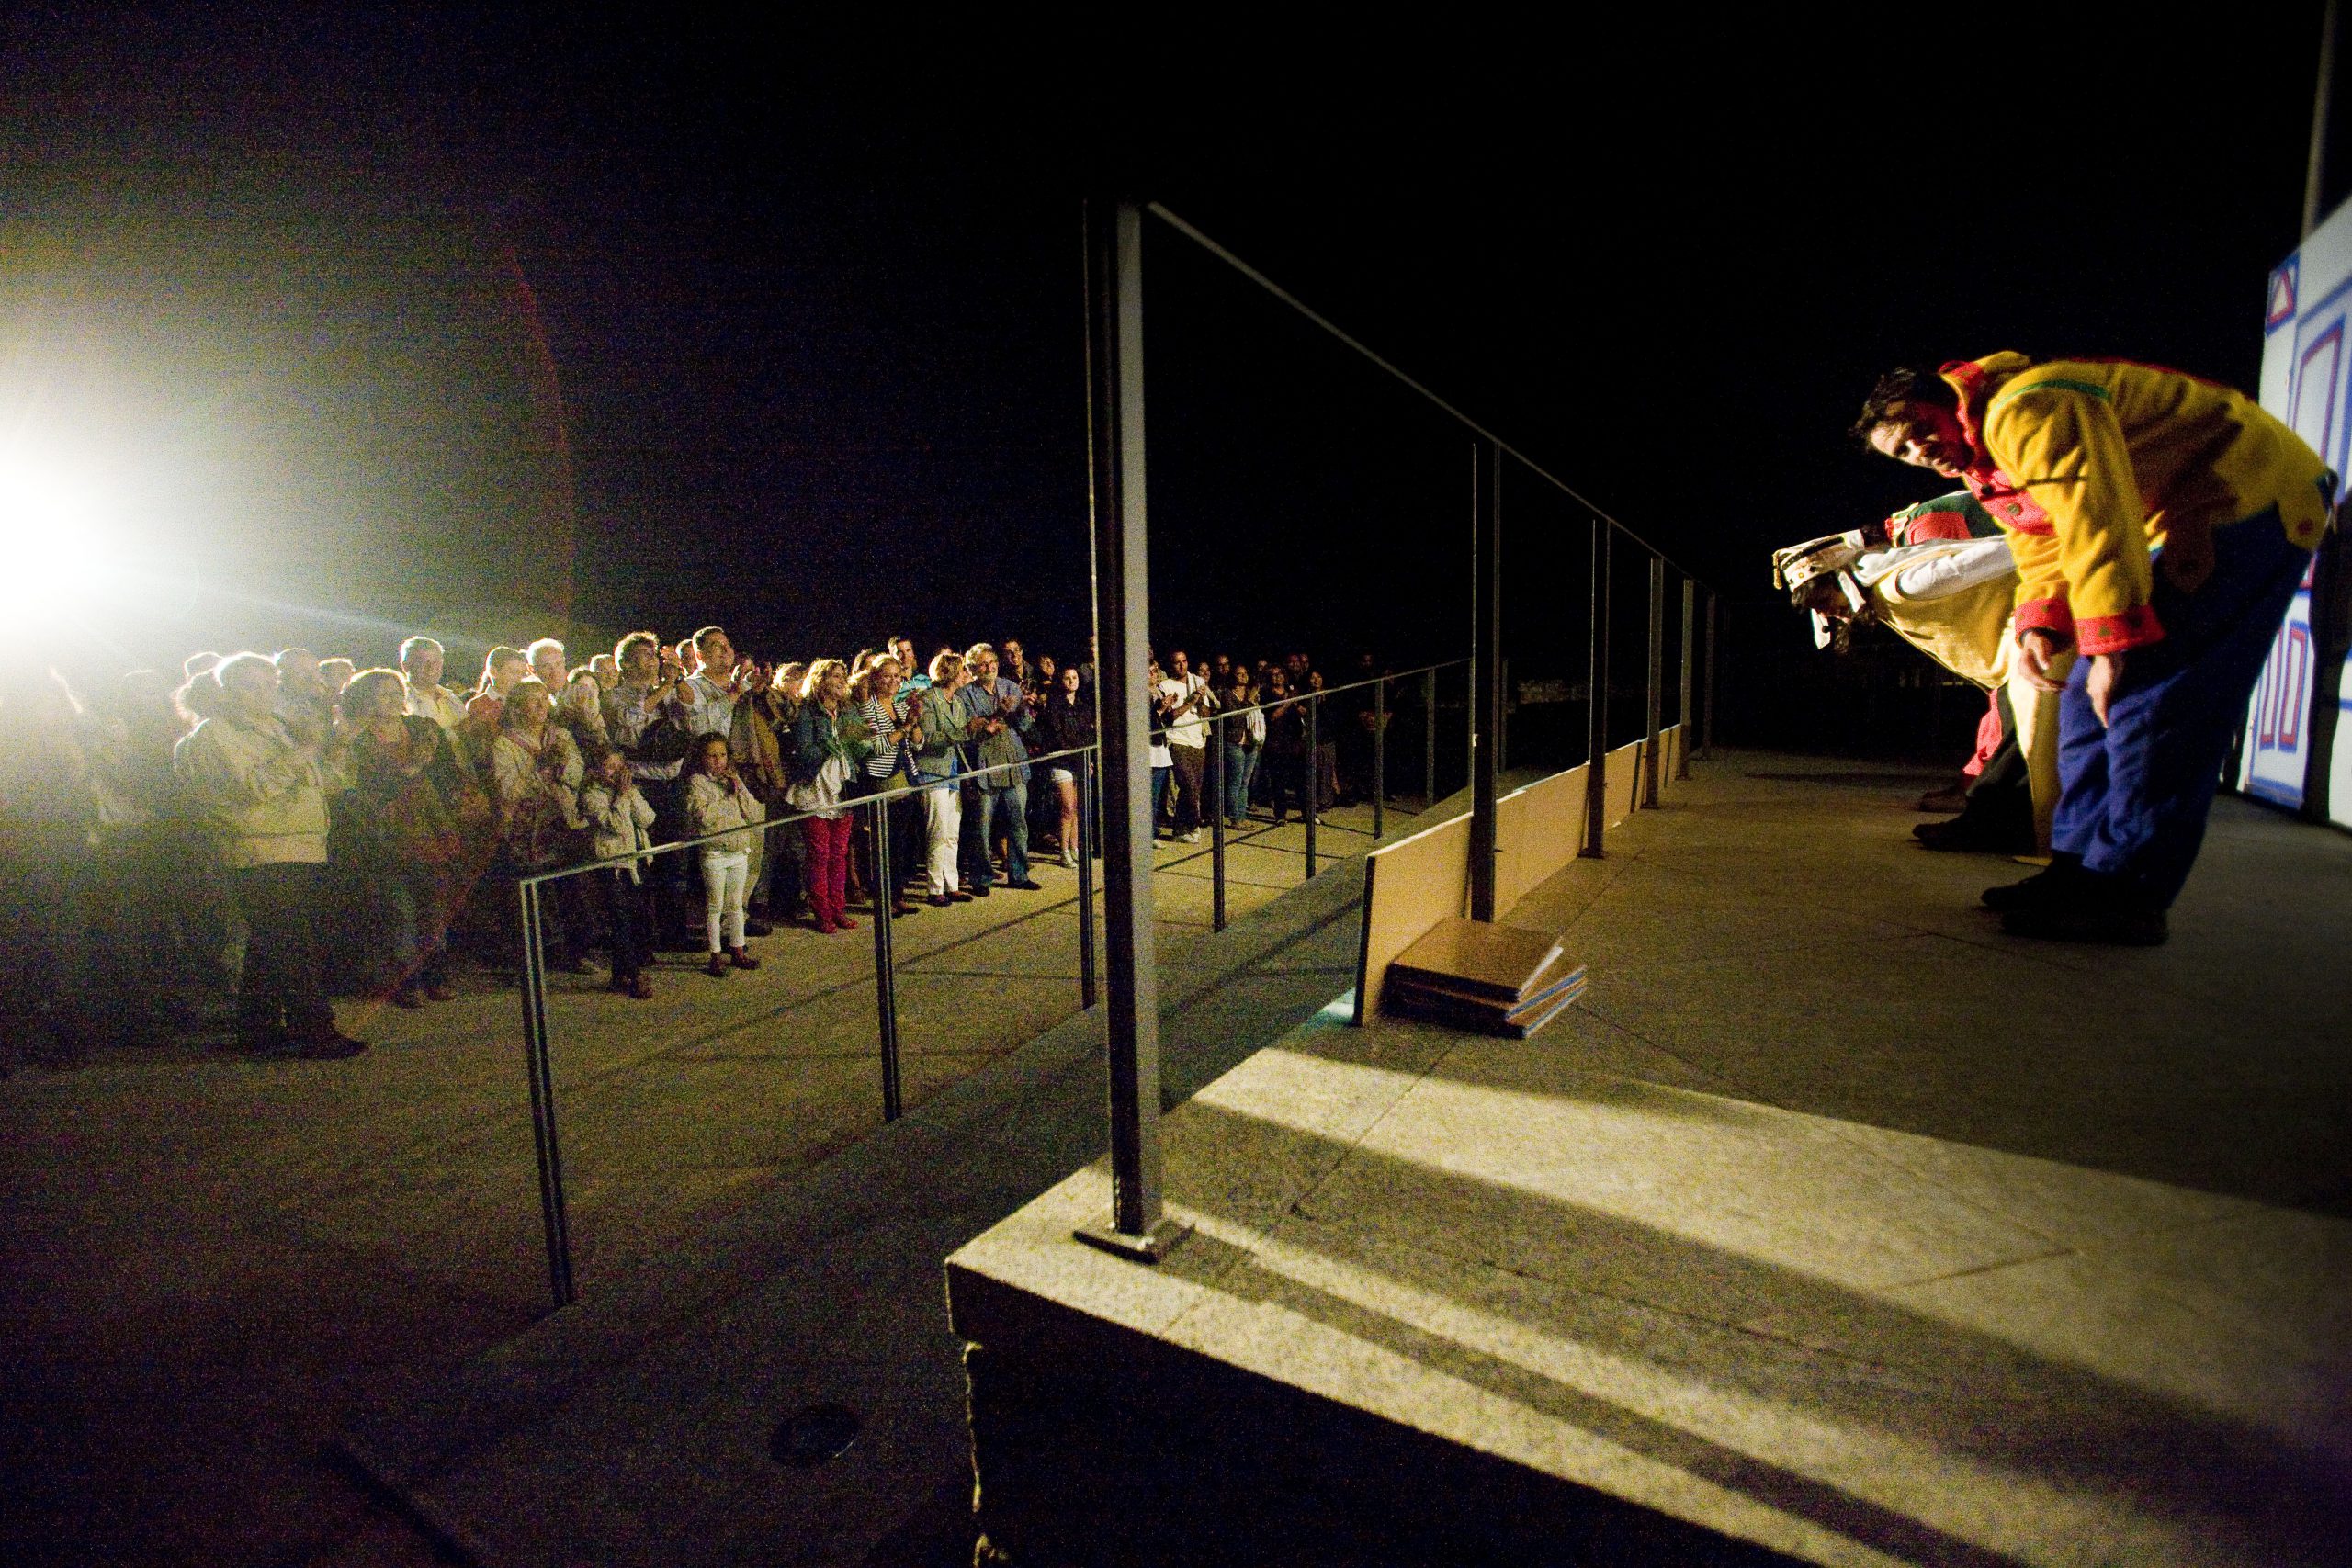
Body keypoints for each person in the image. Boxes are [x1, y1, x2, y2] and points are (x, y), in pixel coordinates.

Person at [1856, 352, 2332, 942]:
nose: (1921, 451)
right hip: (2173, 516)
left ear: (1948, 399)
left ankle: (2129, 892)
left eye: (1921, 429)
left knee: (2152, 697)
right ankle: (2078, 870)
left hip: (2251, 494)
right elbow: (2042, 544)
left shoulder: (2025, 408)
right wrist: (2039, 627)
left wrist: (2112, 645)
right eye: (1904, 452)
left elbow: (2095, 515)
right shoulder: (1989, 463)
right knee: (2080, 698)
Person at [174, 653, 366, 1059]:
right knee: (292, 944)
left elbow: (327, 784)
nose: (263, 694)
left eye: (269, 685)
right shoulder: (214, 735)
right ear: (226, 692)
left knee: (271, 943)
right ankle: (314, 1029)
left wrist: (339, 748)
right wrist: (304, 750)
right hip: (257, 850)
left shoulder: (278, 728)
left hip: (301, 845)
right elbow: (254, 788)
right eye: (250, 685)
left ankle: (255, 1028)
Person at [341, 668, 475, 1006]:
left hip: (429, 828)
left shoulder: (421, 729)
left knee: (434, 905)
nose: (391, 699)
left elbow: (448, 774)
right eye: (381, 693)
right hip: (383, 834)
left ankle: (436, 975)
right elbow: (358, 792)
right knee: (398, 911)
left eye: (394, 692)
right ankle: (405, 982)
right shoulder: (356, 740)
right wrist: (408, 773)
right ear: (364, 699)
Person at [488, 676, 590, 972]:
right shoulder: (505, 744)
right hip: (530, 830)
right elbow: (508, 788)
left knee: (572, 889)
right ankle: (538, 956)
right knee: (537, 895)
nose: (541, 706)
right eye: (533, 701)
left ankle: (577, 951)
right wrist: (542, 773)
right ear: (518, 709)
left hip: (565, 821)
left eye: (544, 699)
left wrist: (563, 769)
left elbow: (577, 771)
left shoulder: (561, 736)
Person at [788, 659, 864, 933]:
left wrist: (861, 741)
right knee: (819, 854)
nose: (842, 680)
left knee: (840, 853)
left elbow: (859, 750)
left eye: (844, 675)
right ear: (820, 680)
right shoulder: (807, 713)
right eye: (835, 675)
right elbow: (804, 752)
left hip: (843, 787)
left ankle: (838, 908)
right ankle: (822, 912)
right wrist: (831, 743)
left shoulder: (848, 710)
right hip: (816, 787)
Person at [681, 731, 765, 974]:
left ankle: (738, 948)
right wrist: (726, 798)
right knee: (715, 905)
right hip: (715, 853)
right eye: (712, 756)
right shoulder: (697, 782)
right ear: (702, 758)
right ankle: (715, 954)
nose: (718, 761)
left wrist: (738, 788)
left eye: (722, 755)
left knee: (736, 904)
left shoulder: (734, 780)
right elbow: (703, 817)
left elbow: (752, 813)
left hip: (739, 849)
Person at [578, 746, 658, 998]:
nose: (615, 773)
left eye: (618, 767)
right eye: (610, 767)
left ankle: (619, 973)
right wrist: (622, 797)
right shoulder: (593, 795)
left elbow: (647, 818)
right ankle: (632, 975)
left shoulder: (626, 791)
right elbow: (617, 825)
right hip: (613, 865)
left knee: (636, 917)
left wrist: (629, 794)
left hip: (636, 862)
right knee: (620, 921)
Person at [906, 651, 974, 904]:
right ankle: (935, 888)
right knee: (937, 831)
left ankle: (951, 884)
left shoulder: (957, 702)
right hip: (932, 770)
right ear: (951, 672)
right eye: (963, 671)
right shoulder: (929, 698)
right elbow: (928, 740)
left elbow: (961, 735)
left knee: (952, 831)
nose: (966, 675)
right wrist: (964, 731)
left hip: (952, 769)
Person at [1033, 661, 1094, 866]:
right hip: (1062, 760)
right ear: (1061, 681)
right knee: (1067, 807)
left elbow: (1087, 734)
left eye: (1075, 677)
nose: (1072, 681)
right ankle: (1063, 850)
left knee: (1076, 808)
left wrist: (1087, 758)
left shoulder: (1083, 706)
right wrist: (1077, 756)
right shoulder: (1054, 706)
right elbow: (1059, 737)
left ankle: (1074, 847)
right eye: (1067, 678)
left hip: (1079, 759)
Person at [1159, 649, 1216, 842]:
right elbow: (1170, 717)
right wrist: (1190, 701)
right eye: (1177, 662)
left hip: (1197, 740)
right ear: (1171, 665)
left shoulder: (1197, 681)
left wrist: (1199, 701)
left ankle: (1182, 828)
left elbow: (1206, 714)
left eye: (1184, 661)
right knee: (1188, 783)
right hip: (1178, 739)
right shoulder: (1166, 685)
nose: (1181, 665)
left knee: (1194, 788)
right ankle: (1191, 822)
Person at [1220, 668, 1264, 829]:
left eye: (1246, 673)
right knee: (1235, 781)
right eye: (1240, 673)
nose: (1244, 676)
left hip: (1250, 742)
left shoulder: (1251, 694)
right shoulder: (1227, 694)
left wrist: (1253, 698)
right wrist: (1249, 700)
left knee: (1246, 782)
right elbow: (1234, 719)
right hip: (1235, 742)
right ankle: (1234, 817)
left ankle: (1242, 815)